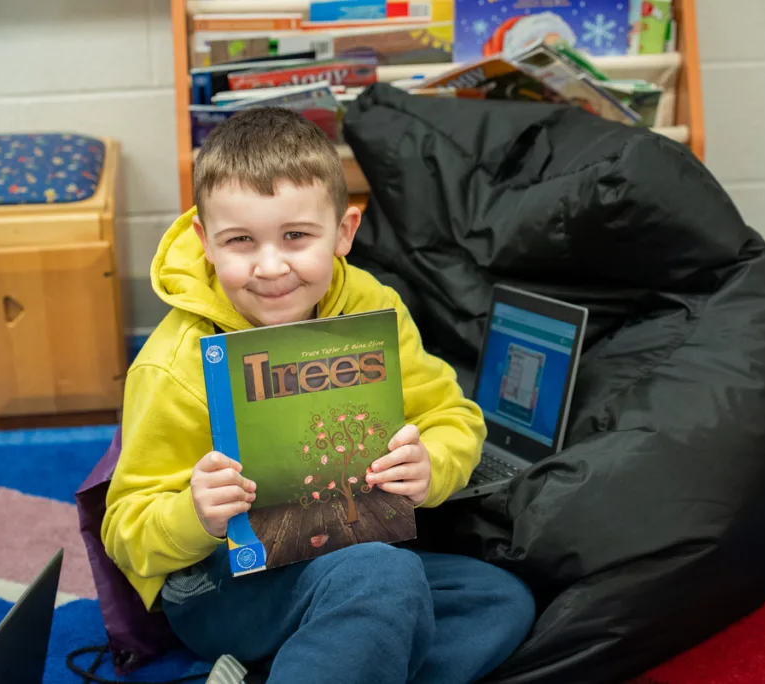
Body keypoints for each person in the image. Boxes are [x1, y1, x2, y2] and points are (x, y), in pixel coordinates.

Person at [101, 107, 535, 684]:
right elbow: (124, 532)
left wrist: (433, 465)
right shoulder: (172, 363)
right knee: (383, 578)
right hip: (217, 583)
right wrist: (195, 514)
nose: (271, 266)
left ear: (344, 232)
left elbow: (452, 415)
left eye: (297, 236)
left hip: (348, 556)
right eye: (240, 241)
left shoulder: (373, 306)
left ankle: (306, 663)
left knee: (499, 601)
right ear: (206, 243)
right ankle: (336, 654)